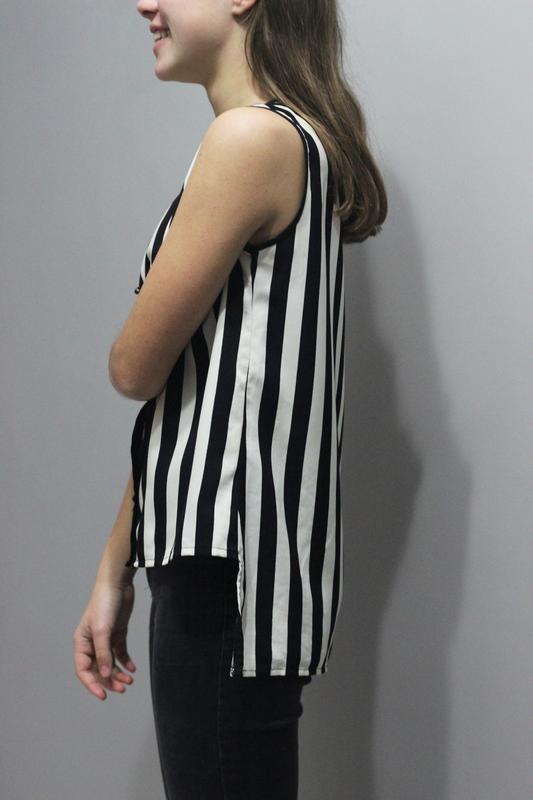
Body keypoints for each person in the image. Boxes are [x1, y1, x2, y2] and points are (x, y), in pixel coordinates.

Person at [73, 1, 387, 797]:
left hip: (223, 572)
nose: (145, 3)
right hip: (230, 566)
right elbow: (199, 394)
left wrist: (133, 329)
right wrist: (115, 570)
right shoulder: (289, 141)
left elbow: (135, 371)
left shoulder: (250, 139)